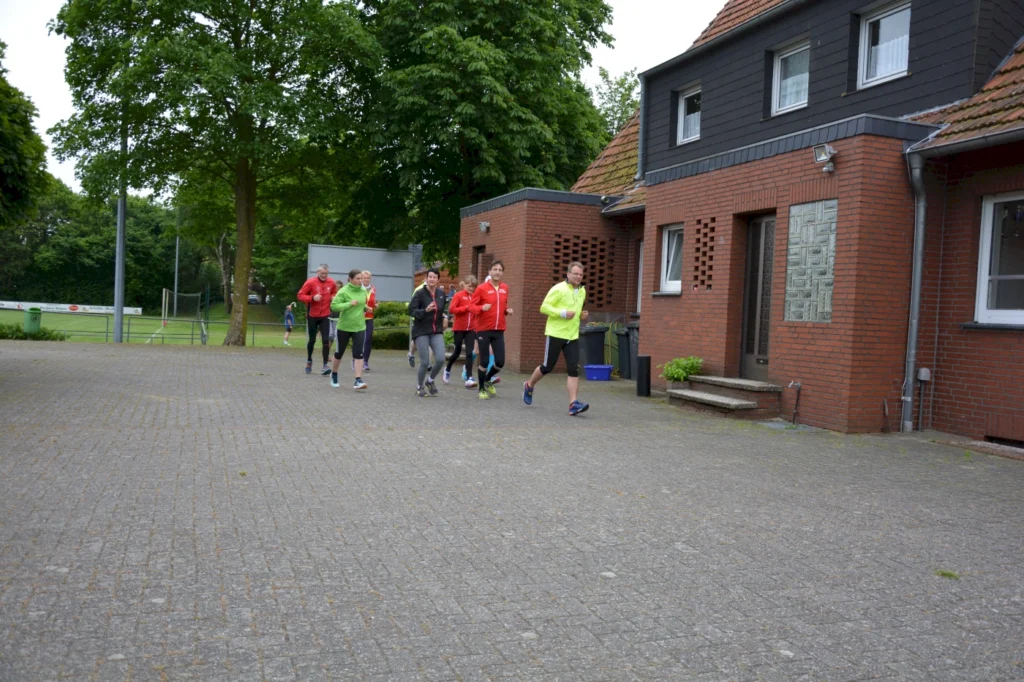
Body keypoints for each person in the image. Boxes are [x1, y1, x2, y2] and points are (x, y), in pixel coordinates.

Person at [523, 262, 591, 416]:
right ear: (568, 274)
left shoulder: (582, 291)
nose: (578, 277)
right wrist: (562, 313)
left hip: (572, 335)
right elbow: (544, 307)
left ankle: (573, 404)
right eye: (575, 274)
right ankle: (529, 385)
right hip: (555, 334)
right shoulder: (558, 289)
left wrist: (581, 315)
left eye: (581, 274)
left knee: (573, 369)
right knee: (547, 367)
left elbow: (576, 310)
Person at [470, 261, 512, 399]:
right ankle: (481, 389)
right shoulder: (481, 288)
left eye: (500, 270)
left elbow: (503, 306)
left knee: (500, 362)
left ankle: (488, 380)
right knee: (484, 361)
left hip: (499, 329)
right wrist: (482, 308)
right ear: (489, 272)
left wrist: (507, 311)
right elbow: (471, 307)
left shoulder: (505, 288)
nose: (497, 272)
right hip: (483, 329)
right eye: (495, 269)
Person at [329, 269, 369, 390]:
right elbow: (334, 306)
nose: (360, 281)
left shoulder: (363, 291)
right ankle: (334, 374)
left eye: (361, 278)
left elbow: (361, 304)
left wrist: (366, 308)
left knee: (359, 354)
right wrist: (349, 304)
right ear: (350, 279)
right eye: (358, 278)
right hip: (344, 327)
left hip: (359, 326)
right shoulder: (343, 291)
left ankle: (358, 380)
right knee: (339, 353)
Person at [409, 268, 447, 397]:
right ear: (426, 279)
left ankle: (430, 381)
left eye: (434, 277)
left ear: (438, 280)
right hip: (421, 331)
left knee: (441, 359)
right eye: (429, 277)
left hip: (436, 331)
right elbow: (411, 311)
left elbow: (441, 311)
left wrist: (445, 318)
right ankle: (420, 386)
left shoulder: (441, 294)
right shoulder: (420, 293)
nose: (431, 279)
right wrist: (425, 311)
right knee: (425, 362)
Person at [297, 264, 337, 375]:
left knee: (326, 340)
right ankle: (309, 360)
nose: (324, 275)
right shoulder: (311, 282)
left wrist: (333, 296)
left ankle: (325, 365)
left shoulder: (331, 282)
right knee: (312, 340)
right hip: (312, 315)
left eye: (326, 273)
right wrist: (312, 298)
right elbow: (300, 295)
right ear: (317, 272)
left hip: (325, 315)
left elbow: (334, 292)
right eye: (322, 273)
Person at [445, 276, 478, 388]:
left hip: (470, 329)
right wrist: (465, 308)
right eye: (469, 286)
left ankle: (469, 377)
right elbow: (452, 309)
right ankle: (448, 368)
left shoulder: (474, 297)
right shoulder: (458, 295)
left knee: (469, 353)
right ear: (464, 285)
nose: (471, 289)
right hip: (459, 328)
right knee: (457, 352)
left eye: (473, 287)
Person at [360, 271, 377, 371]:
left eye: (368, 278)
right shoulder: (358, 288)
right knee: (359, 340)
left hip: (369, 317)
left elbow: (372, 301)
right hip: (359, 317)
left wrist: (375, 305)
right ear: (361, 279)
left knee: (368, 339)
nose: (366, 279)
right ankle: (356, 359)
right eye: (364, 278)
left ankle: (365, 361)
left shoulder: (373, 289)